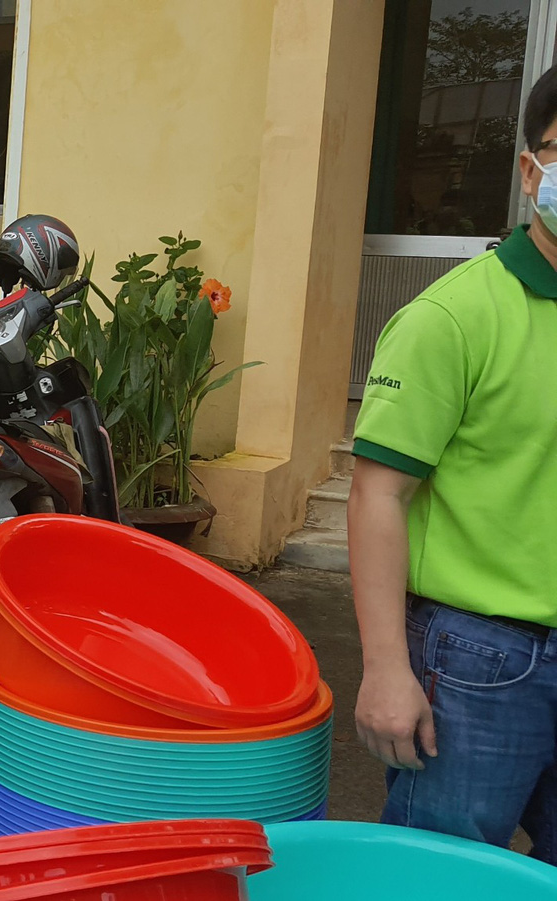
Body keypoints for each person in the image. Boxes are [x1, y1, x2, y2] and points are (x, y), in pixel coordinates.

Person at [349, 66, 557, 865]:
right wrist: (385, 670)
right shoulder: (454, 316)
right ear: (529, 167)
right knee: (441, 873)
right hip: (480, 664)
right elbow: (377, 494)